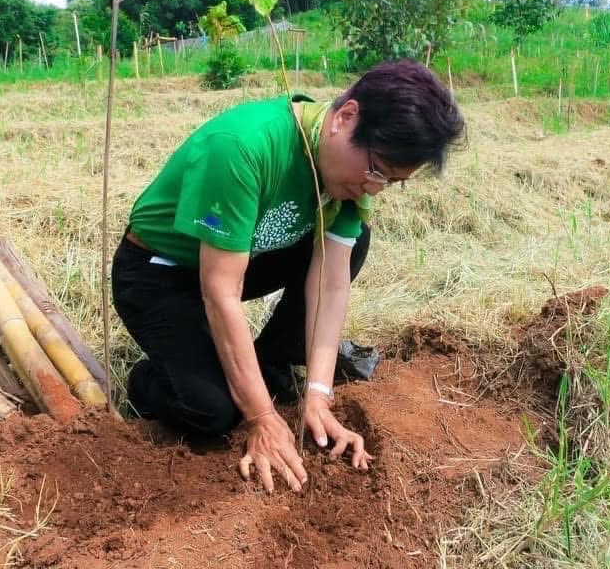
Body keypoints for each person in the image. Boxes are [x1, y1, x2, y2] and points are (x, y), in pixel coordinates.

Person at [111, 59, 465, 493]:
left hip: (246, 256)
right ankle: (149, 380)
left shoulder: (348, 177)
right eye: (377, 171)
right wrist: (261, 417)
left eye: (391, 182)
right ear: (346, 117)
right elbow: (220, 290)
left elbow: (331, 282)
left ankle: (265, 362)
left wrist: (318, 393)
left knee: (356, 241)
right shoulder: (243, 147)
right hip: (160, 274)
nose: (375, 188)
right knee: (215, 413)